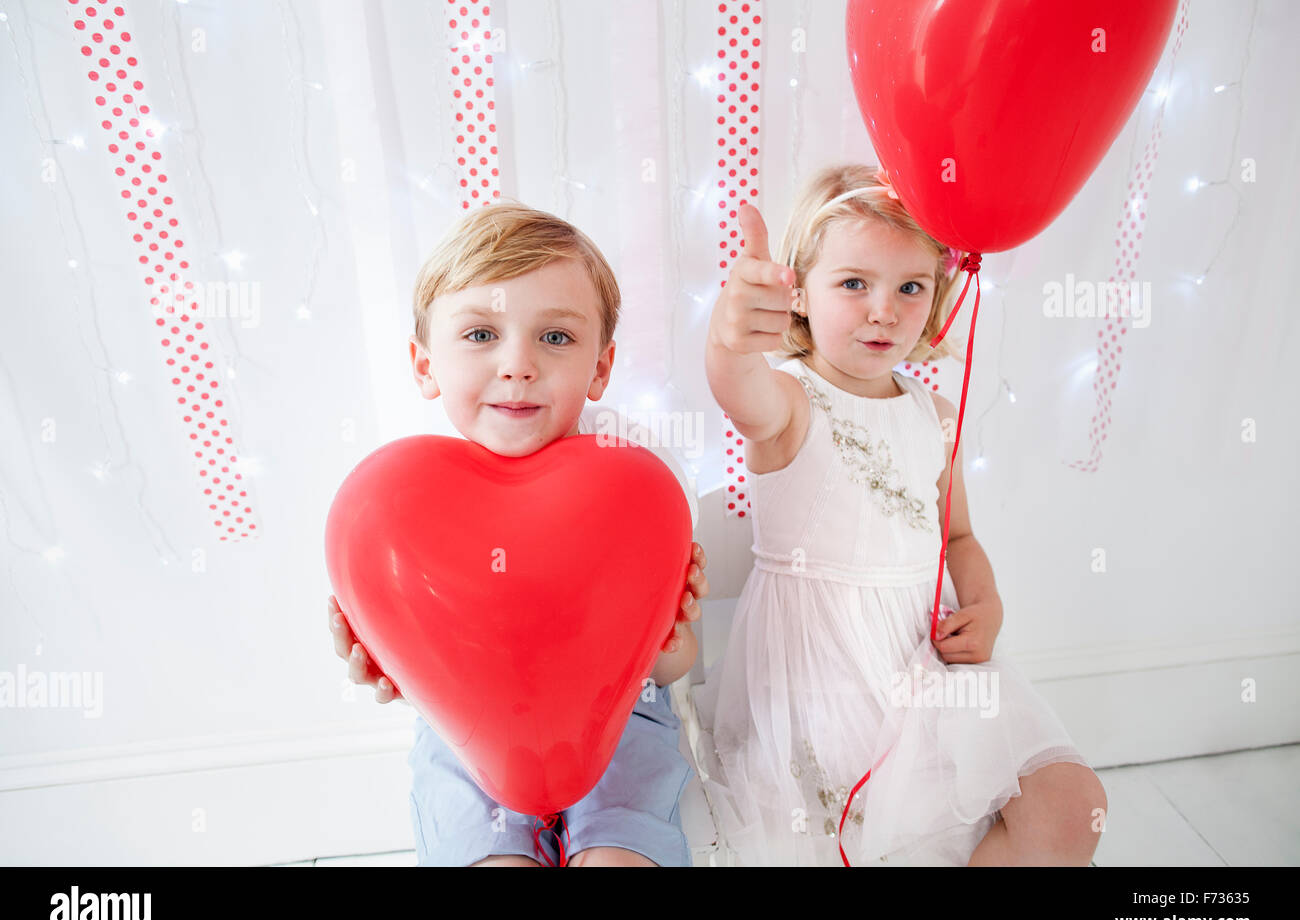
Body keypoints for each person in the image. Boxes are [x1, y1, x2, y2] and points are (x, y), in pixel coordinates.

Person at [694, 163, 1107, 866]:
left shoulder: (934, 413)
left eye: (910, 287)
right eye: (854, 283)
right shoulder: (789, 404)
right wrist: (732, 338)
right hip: (822, 675)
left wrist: (987, 602)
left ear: (938, 295)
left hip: (928, 664)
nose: (883, 309)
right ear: (798, 294)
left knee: (1072, 809)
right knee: (869, 833)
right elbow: (737, 389)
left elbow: (961, 536)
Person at [327, 200, 709, 866]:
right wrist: (389, 667)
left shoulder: (637, 479)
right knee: (489, 857)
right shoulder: (401, 504)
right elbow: (415, 666)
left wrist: (670, 643)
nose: (518, 365)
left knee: (624, 856)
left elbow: (670, 666)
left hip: (622, 718)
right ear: (424, 365)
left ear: (601, 366)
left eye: (555, 337)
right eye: (480, 335)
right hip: (468, 735)